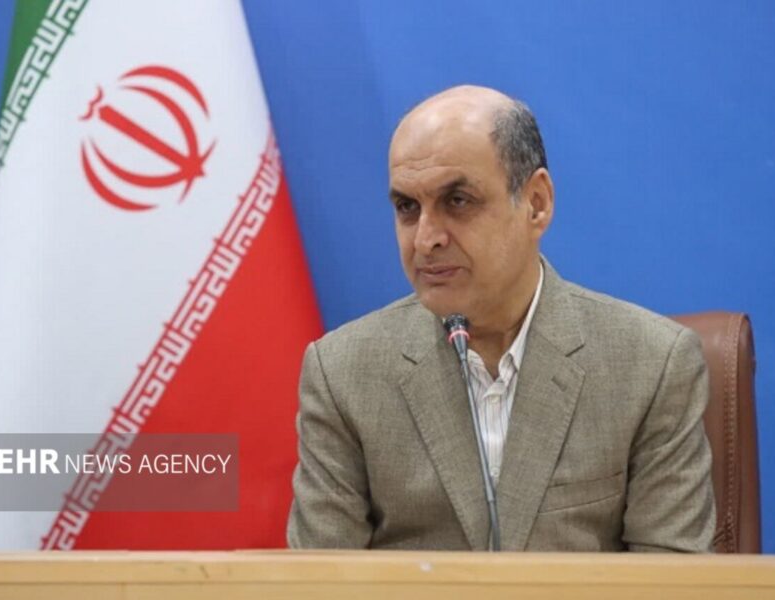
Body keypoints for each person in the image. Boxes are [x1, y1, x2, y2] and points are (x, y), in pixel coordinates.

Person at [287, 85, 715, 552]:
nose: (425, 239)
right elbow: (319, 578)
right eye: (407, 207)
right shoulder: (343, 373)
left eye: (458, 201)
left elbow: (671, 579)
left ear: (536, 203)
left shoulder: (650, 366)